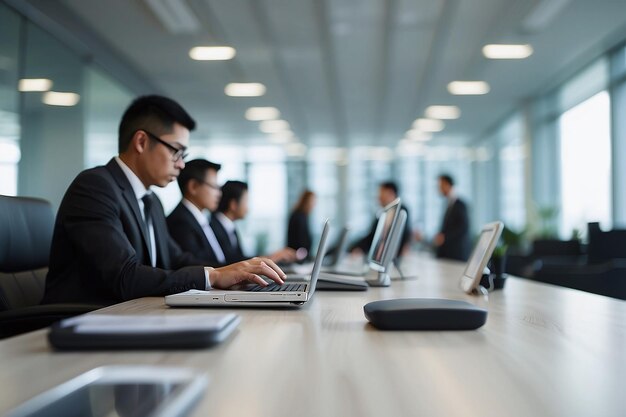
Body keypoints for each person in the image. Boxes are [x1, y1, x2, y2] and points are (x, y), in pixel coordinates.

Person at [42, 95, 285, 306]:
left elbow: (178, 259)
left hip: (132, 315)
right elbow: (124, 276)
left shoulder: (151, 201)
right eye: (176, 151)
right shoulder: (95, 187)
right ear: (141, 142)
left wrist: (238, 269)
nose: (181, 164)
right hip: (84, 320)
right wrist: (211, 277)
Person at [211, 180, 297, 265]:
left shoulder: (229, 227)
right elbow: (229, 263)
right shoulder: (212, 227)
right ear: (233, 204)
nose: (248, 208)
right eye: (246, 201)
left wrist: (269, 257)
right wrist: (269, 258)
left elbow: (238, 258)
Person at [167, 159, 227, 266]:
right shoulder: (180, 222)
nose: (219, 194)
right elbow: (196, 267)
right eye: (215, 187)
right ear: (193, 187)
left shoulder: (205, 220)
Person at [349, 181, 411, 255]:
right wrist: (353, 248)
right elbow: (371, 237)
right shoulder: (382, 213)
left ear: (391, 193)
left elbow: (402, 237)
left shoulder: (401, 212)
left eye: (381, 193)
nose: (378, 197)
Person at [434, 174, 470, 261]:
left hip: (456, 254)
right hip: (447, 254)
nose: (439, 189)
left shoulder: (460, 205)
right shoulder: (447, 204)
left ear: (447, 184)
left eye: (440, 185)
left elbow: (463, 228)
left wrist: (445, 237)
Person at [286, 190, 316, 256]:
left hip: (300, 257)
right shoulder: (298, 217)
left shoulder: (303, 216)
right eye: (312, 201)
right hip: (295, 257)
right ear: (306, 201)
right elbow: (300, 243)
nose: (314, 204)